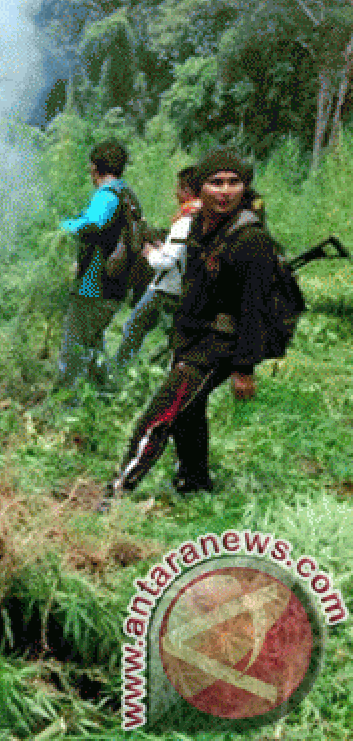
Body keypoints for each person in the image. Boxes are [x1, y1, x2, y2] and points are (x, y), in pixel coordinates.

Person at [110, 149, 275, 498]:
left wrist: (244, 368)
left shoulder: (251, 239)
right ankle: (195, 483)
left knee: (159, 416)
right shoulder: (199, 226)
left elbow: (255, 307)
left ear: (244, 188)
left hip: (219, 344)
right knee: (188, 412)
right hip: (191, 335)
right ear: (200, 188)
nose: (225, 191)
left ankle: (117, 492)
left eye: (234, 183)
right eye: (216, 182)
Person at [56, 141, 139, 389]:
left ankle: (64, 404)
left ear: (94, 168)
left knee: (73, 347)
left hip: (94, 288)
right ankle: (105, 396)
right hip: (115, 286)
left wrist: (61, 228)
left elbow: (92, 225)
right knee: (93, 345)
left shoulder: (107, 195)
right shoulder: (126, 193)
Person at [112, 166, 201, 374]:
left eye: (179, 188)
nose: (175, 193)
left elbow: (167, 262)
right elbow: (181, 254)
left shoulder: (185, 221)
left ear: (187, 190)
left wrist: (150, 253)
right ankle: (160, 375)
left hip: (165, 289)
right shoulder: (202, 217)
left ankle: (119, 375)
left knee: (133, 328)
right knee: (174, 339)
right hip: (186, 290)